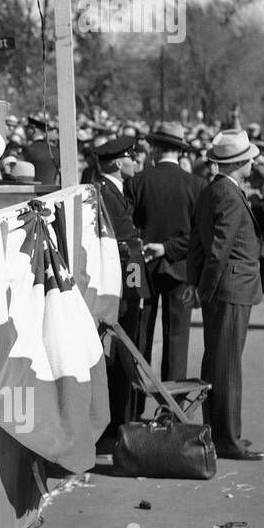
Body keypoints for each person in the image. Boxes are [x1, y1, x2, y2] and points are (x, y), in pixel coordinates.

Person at [187, 130, 264, 461]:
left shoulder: (212, 191)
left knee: (217, 362)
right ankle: (228, 439)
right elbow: (219, 250)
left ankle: (219, 434)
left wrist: (197, 285)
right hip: (231, 287)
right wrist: (204, 287)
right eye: (250, 160)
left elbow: (197, 245)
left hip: (222, 288)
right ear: (240, 163)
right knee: (228, 367)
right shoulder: (229, 196)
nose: (252, 164)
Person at [128, 121, 207, 384]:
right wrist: (169, 248)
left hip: (144, 267)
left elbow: (129, 227)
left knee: (140, 337)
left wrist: (155, 246)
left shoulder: (138, 181)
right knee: (177, 339)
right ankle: (172, 411)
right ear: (180, 151)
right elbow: (199, 236)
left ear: (154, 148)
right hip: (181, 267)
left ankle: (135, 404)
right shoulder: (196, 185)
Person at [92, 135, 152, 440]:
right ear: (118, 163)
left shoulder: (116, 190)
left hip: (129, 275)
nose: (136, 161)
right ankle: (117, 424)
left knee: (128, 350)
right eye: (132, 157)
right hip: (122, 280)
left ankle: (123, 419)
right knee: (122, 350)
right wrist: (133, 290)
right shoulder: (103, 192)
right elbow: (118, 245)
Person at [22, 116, 60, 185]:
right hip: (53, 193)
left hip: (34, 193)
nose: (25, 131)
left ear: (34, 130)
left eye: (28, 128)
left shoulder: (29, 150)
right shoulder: (55, 150)